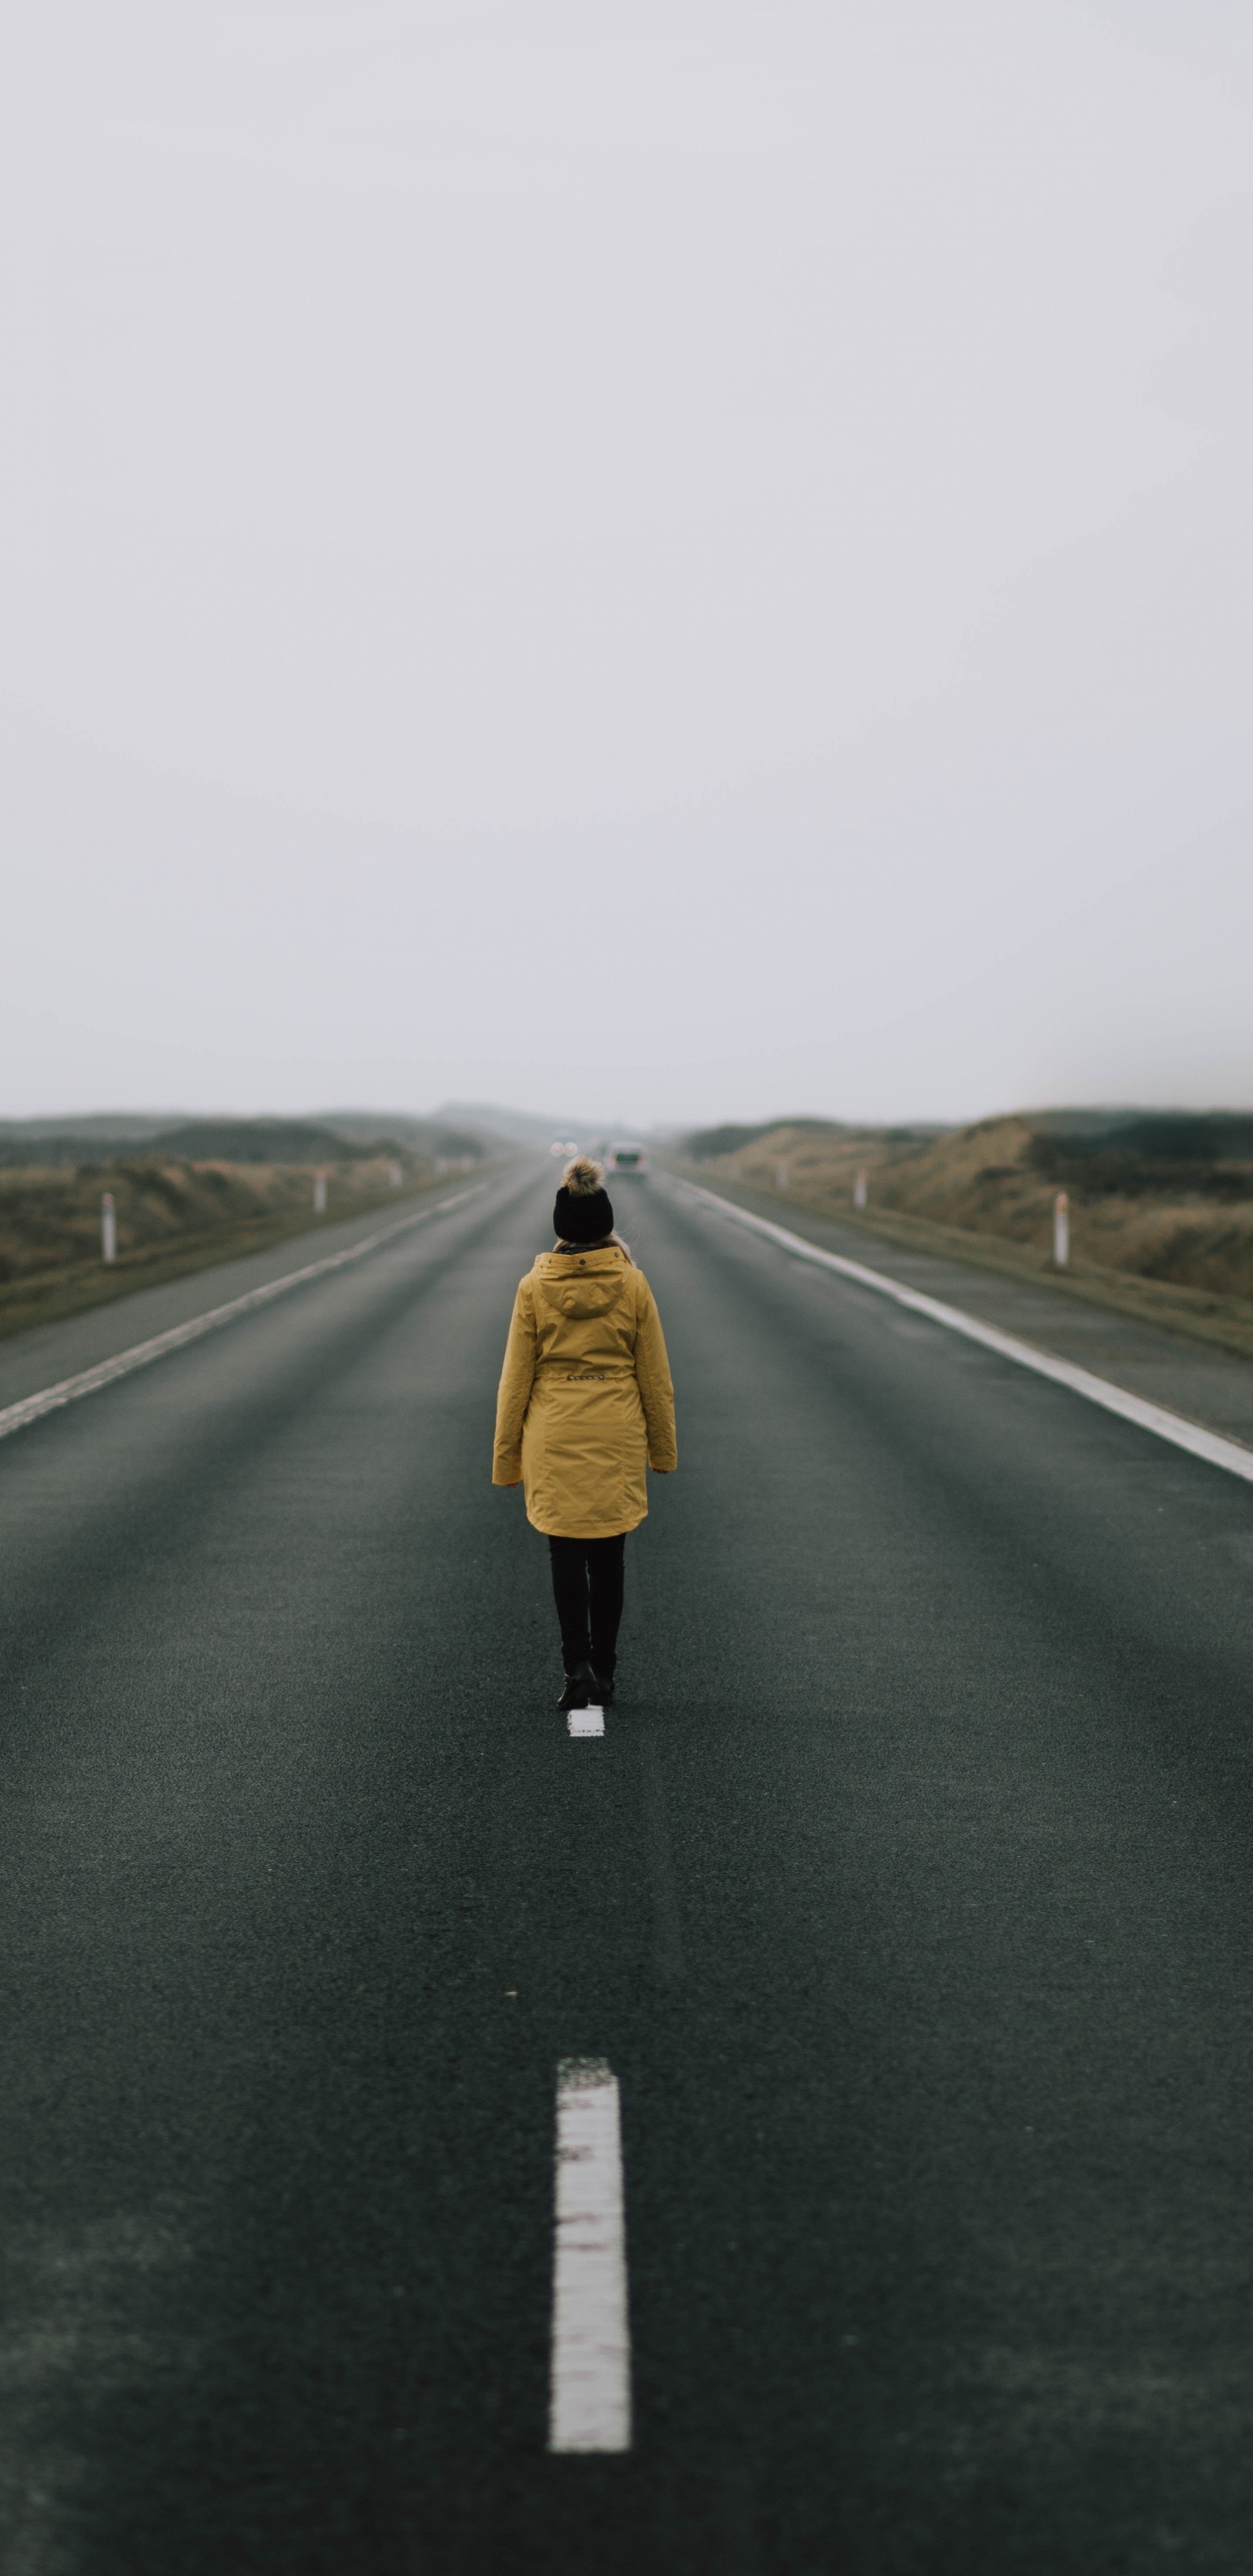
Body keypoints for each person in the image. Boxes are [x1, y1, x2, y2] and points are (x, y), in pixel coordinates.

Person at [492, 1157, 677, 1709]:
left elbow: (514, 1379)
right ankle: (607, 1670)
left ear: (560, 1228)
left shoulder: (533, 1287)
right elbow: (655, 1376)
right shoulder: (634, 1283)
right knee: (609, 1556)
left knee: (565, 1555)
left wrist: (507, 1460)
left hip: (553, 1433)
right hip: (615, 1430)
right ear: (606, 1226)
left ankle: (576, 1668)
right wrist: (662, 1451)